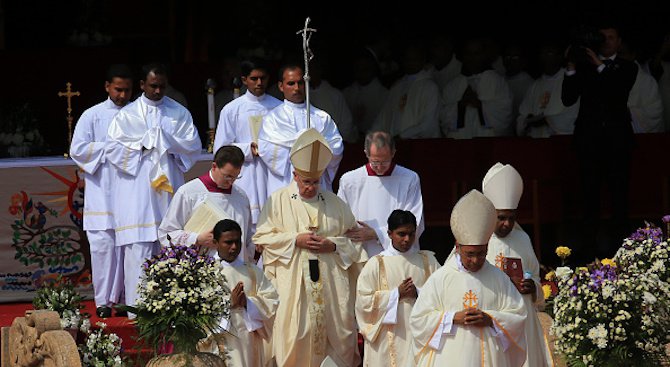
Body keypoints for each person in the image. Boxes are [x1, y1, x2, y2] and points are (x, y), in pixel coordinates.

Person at [252, 128, 366, 367]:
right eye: (306, 182)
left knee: (335, 336)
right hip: (293, 285)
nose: (311, 187)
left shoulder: (335, 203)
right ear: (294, 175)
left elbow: (355, 241)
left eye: (315, 182)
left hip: (331, 288)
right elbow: (261, 237)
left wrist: (333, 244)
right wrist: (295, 240)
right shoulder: (278, 201)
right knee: (296, 332)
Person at [106, 62, 202, 309]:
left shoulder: (179, 113)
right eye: (153, 86)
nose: (158, 91)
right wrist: (143, 145)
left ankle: (173, 305)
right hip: (137, 193)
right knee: (139, 248)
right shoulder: (126, 116)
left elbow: (192, 146)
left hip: (168, 191)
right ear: (142, 85)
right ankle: (138, 311)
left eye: (162, 86)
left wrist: (166, 141)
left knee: (171, 243)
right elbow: (114, 151)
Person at [409, 189, 527, 367]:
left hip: (491, 357)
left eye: (481, 253)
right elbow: (418, 320)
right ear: (458, 247)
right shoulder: (441, 278)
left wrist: (490, 319)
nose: (475, 260)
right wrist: (452, 318)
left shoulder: (499, 278)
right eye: (470, 254)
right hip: (450, 358)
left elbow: (518, 315)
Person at [561, 21, 639, 260]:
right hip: (590, 142)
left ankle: (622, 250)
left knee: (619, 195)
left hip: (617, 142)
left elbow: (617, 92)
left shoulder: (627, 67)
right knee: (589, 196)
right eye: (602, 37)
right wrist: (572, 67)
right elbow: (567, 99)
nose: (606, 41)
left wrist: (597, 64)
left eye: (611, 37)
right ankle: (589, 249)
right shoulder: (585, 69)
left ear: (619, 42)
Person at [69, 64, 134, 318]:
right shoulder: (92, 116)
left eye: (127, 90)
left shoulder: (138, 115)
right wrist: (111, 148)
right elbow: (78, 149)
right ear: (107, 87)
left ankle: (125, 299)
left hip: (130, 191)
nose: (122, 95)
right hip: (102, 191)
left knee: (128, 245)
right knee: (103, 246)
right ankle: (103, 301)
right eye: (118, 89)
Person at [482, 162, 554, 367]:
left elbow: (536, 279)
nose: (506, 224)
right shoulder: (477, 239)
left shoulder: (523, 240)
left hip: (522, 319)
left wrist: (533, 288)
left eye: (511, 218)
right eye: (501, 218)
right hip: (492, 317)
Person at [355, 209, 440, 367]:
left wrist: (418, 292)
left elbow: (442, 295)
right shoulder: (376, 264)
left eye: (411, 234)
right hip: (386, 340)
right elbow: (363, 302)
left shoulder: (428, 261)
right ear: (389, 233)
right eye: (401, 234)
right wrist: (396, 294)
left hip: (420, 335)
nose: (407, 239)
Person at [198, 219, 279, 367]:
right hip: (219, 343)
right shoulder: (205, 272)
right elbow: (198, 310)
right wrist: (229, 303)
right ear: (215, 243)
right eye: (228, 242)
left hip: (249, 344)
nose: (234, 247)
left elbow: (272, 301)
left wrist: (248, 304)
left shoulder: (253, 271)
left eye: (237, 242)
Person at [213, 57, 282, 227]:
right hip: (246, 172)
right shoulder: (232, 110)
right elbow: (221, 149)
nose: (259, 83)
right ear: (244, 80)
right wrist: (247, 149)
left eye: (263, 78)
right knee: (246, 224)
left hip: (272, 172)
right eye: (254, 79)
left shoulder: (279, 108)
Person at [257, 63, 344, 196]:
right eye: (291, 83)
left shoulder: (321, 117)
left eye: (300, 83)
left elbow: (336, 147)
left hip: (316, 182)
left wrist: (314, 157)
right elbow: (267, 149)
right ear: (281, 86)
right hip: (286, 181)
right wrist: (303, 146)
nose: (297, 88)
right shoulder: (273, 118)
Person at [158, 146, 254, 261]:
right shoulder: (189, 192)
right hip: (203, 271)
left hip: (236, 271)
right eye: (227, 176)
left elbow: (248, 240)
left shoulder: (241, 197)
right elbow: (167, 234)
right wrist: (196, 238)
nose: (230, 181)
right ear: (214, 166)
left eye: (235, 177)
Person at [337, 130, 424, 258]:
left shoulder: (409, 178)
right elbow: (340, 218)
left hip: (397, 256)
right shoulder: (350, 180)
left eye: (385, 162)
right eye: (375, 162)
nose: (380, 167)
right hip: (361, 252)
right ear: (366, 153)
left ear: (393, 153)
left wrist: (377, 233)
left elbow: (415, 219)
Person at [441, 37, 514, 139]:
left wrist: (480, 105)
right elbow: (443, 118)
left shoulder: (498, 82)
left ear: (484, 55)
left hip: (488, 144)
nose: (472, 58)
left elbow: (505, 114)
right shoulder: (452, 86)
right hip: (460, 144)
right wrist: (460, 105)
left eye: (476, 54)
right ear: (463, 56)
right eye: (468, 54)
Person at [371, 39, 441, 139]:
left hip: (420, 146)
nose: (410, 63)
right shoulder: (397, 87)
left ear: (423, 60)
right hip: (396, 145)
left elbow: (430, 124)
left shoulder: (430, 87)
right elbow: (383, 118)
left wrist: (403, 136)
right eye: (408, 59)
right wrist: (371, 136)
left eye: (414, 59)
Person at [516, 40, 579, 137]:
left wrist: (547, 120)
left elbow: (574, 115)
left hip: (559, 142)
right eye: (542, 53)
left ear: (560, 57)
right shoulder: (535, 85)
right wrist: (527, 120)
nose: (544, 57)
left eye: (549, 53)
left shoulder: (569, 81)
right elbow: (522, 115)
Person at [309, 55, 358, 143]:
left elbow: (346, 123)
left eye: (314, 69)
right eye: (309, 69)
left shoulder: (334, 95)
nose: (311, 73)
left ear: (320, 70)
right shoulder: (301, 94)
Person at [342, 48, 389, 140]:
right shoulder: (346, 94)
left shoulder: (385, 95)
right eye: (358, 69)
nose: (361, 73)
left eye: (365, 69)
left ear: (373, 69)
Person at [619, 39, 664, 133]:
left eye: (621, 54)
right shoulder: (606, 76)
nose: (618, 58)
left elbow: (654, 113)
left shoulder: (647, 81)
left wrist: (629, 112)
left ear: (632, 55)